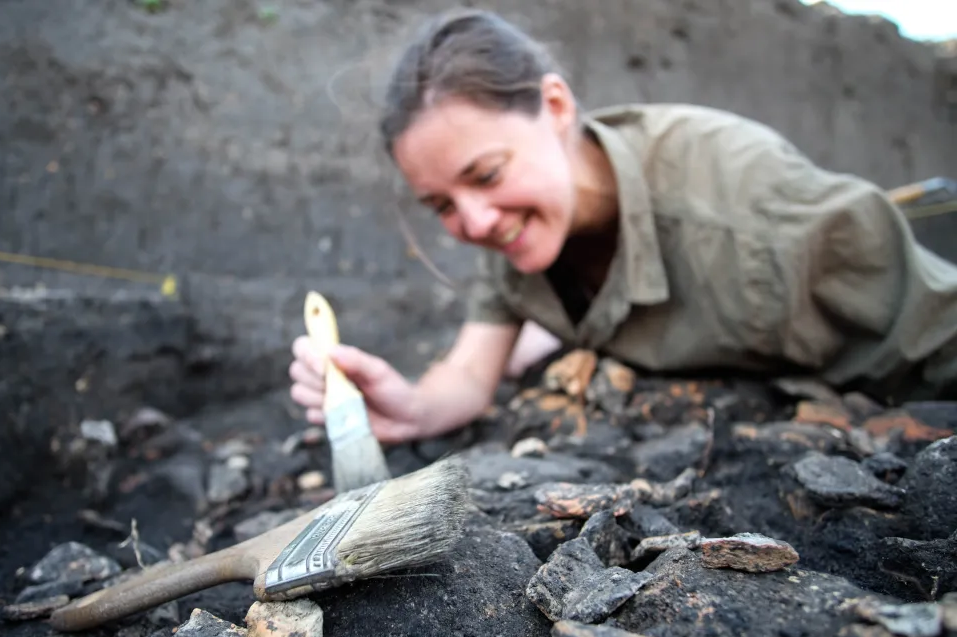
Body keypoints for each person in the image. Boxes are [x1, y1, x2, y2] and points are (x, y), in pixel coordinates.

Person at [289, 9, 957, 445]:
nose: (474, 222)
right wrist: (401, 401)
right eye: (441, 206)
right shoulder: (516, 234)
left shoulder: (752, 208)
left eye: (486, 175)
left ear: (554, 106)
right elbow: (468, 373)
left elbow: (938, 328)